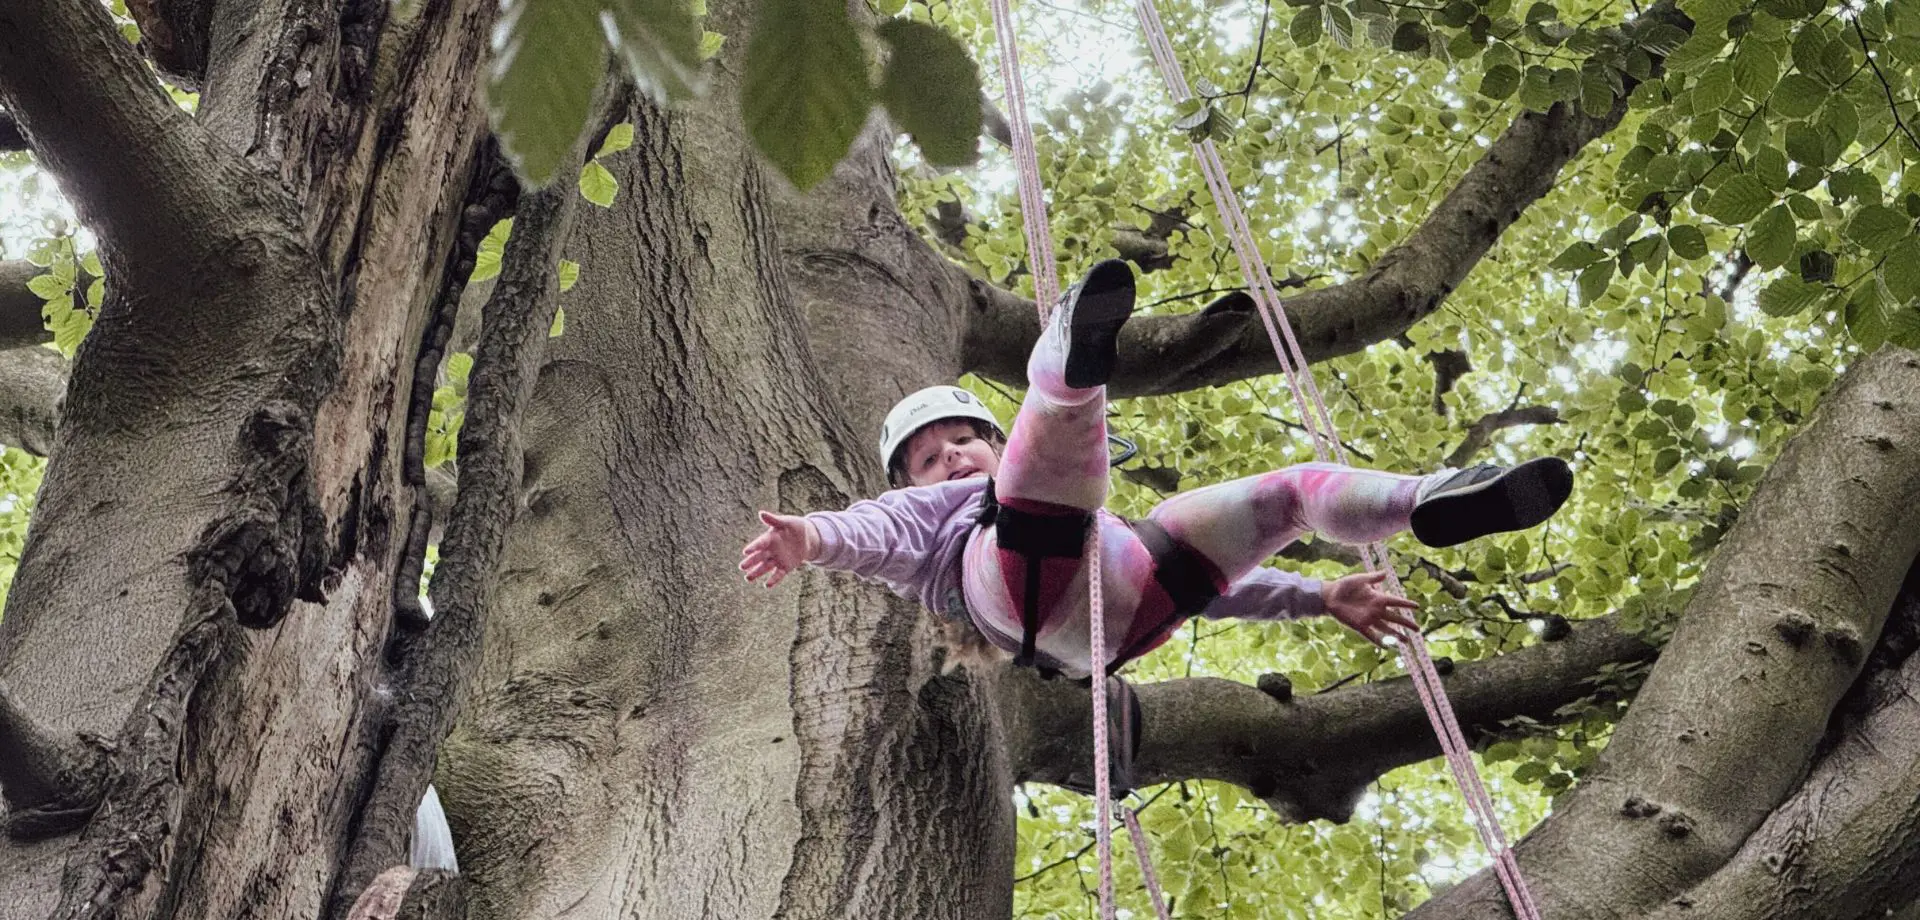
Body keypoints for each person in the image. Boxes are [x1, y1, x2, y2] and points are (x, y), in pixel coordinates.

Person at [740, 259, 1572, 680]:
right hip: (1022, 600)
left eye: (963, 439)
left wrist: (1321, 596)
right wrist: (810, 537)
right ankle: (1065, 371)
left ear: (990, 437)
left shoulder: (1039, 495)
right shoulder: (930, 525)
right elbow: (872, 530)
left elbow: (1217, 591)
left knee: (1285, 498)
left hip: (1134, 601)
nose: (951, 456)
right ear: (914, 479)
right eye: (929, 457)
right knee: (1039, 494)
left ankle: (1429, 499)